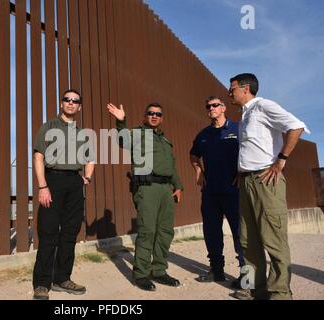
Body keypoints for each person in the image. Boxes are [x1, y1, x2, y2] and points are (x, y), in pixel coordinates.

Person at [228, 73, 309, 300]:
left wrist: (281, 160)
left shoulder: (264, 106)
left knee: (273, 240)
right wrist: (241, 171)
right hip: (246, 182)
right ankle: (256, 288)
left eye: (232, 88)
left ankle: (280, 293)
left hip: (266, 181)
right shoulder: (244, 117)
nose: (229, 92)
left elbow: (296, 126)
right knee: (247, 240)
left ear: (245, 89)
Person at [107, 102, 184, 291]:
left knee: (165, 231)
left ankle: (159, 270)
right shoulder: (137, 133)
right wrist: (121, 121)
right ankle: (141, 274)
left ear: (162, 118)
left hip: (166, 189)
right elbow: (122, 140)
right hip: (147, 188)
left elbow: (170, 165)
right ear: (145, 116)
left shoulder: (165, 140)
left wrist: (178, 185)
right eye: (150, 113)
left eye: (158, 113)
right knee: (147, 231)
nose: (154, 116)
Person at [32, 89, 95, 300]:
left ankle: (62, 279)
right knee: (48, 232)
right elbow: (39, 157)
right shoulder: (48, 127)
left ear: (79, 107)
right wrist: (43, 186)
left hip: (75, 183)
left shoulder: (83, 133)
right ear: (61, 104)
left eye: (75, 101)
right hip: (53, 181)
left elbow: (90, 158)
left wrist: (86, 177)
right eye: (67, 99)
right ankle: (41, 284)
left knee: (70, 233)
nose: (71, 103)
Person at [189, 96, 245, 288]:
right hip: (210, 192)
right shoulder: (203, 134)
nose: (211, 108)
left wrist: (242, 172)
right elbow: (193, 154)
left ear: (223, 108)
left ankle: (246, 276)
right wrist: (199, 171)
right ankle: (217, 271)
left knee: (241, 233)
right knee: (212, 232)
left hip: (234, 190)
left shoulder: (238, 128)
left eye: (214, 105)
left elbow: (251, 149)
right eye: (208, 106)